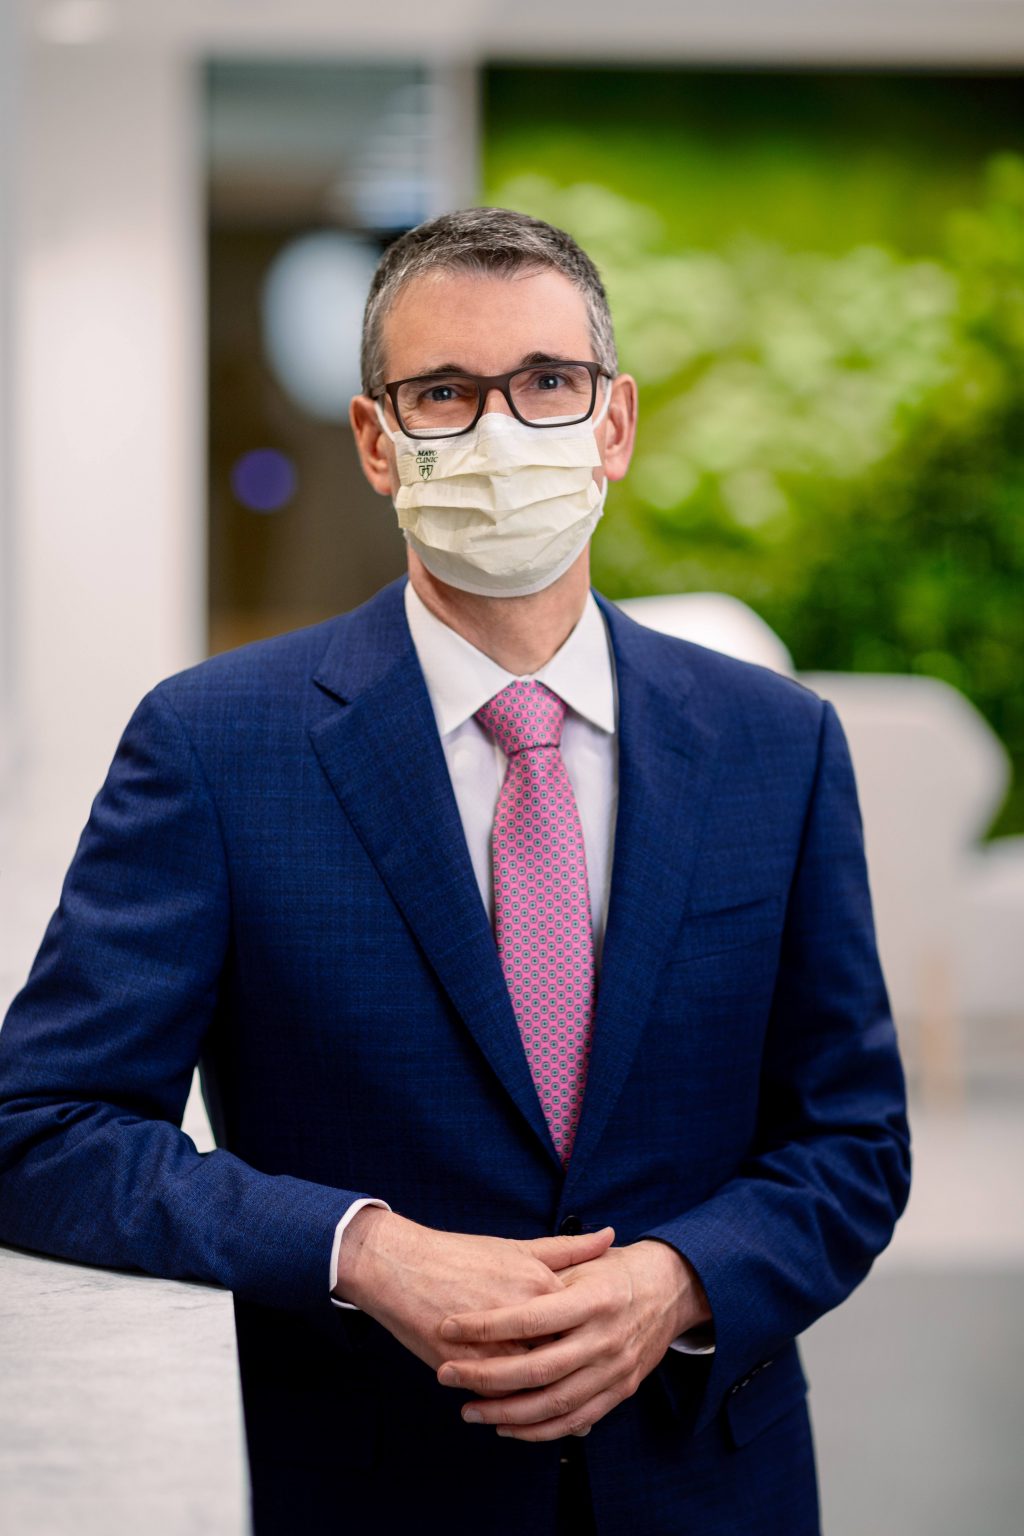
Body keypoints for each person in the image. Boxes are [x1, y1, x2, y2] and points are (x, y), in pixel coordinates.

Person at [0, 207, 911, 1536]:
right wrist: (361, 1249)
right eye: (442, 393)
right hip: (369, 1489)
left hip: (708, 1482)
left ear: (614, 424)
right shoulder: (214, 746)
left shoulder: (778, 744)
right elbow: (43, 1130)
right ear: (378, 442)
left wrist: (677, 1279)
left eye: (547, 382)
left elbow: (852, 1139)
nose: (500, 432)